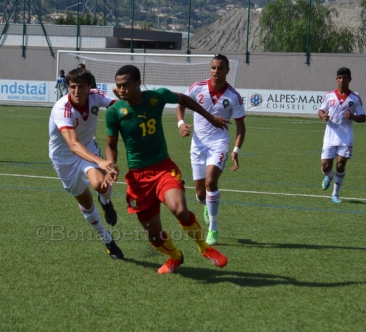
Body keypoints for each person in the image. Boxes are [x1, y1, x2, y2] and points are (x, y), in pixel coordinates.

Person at [105, 64, 229, 274]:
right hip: (137, 178)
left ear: (138, 83)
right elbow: (110, 145)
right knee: (153, 235)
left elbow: (183, 99)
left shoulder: (156, 97)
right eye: (118, 86)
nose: (122, 89)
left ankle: (205, 248)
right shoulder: (114, 112)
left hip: (163, 168)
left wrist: (210, 118)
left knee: (180, 209)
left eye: (126, 85)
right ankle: (175, 257)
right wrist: (110, 165)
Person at [48, 67, 124, 259]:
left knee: (101, 184)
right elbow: (73, 144)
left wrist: (123, 104)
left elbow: (120, 109)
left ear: (89, 87)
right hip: (64, 159)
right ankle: (107, 240)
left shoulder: (96, 96)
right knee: (85, 202)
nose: (76, 91)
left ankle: (106, 202)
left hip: (88, 149)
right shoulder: (61, 108)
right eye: (72, 87)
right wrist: (101, 161)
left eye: (81, 87)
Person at [176, 53, 246, 246]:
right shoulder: (197, 87)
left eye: (220, 68)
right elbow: (181, 104)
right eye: (213, 67)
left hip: (219, 143)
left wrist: (236, 150)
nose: (216, 71)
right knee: (200, 193)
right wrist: (181, 123)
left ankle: (213, 228)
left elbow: (241, 127)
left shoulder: (234, 97)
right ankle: (207, 204)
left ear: (227, 71)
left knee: (210, 181)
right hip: (197, 145)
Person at [318, 67, 365, 203]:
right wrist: (323, 116)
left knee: (340, 165)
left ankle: (335, 194)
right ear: (336, 79)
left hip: (346, 137)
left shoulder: (355, 98)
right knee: (326, 166)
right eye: (339, 78)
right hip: (330, 136)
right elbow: (321, 110)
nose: (342, 80)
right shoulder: (329, 95)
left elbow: (363, 117)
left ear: (350, 79)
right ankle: (329, 175)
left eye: (344, 78)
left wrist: (353, 116)